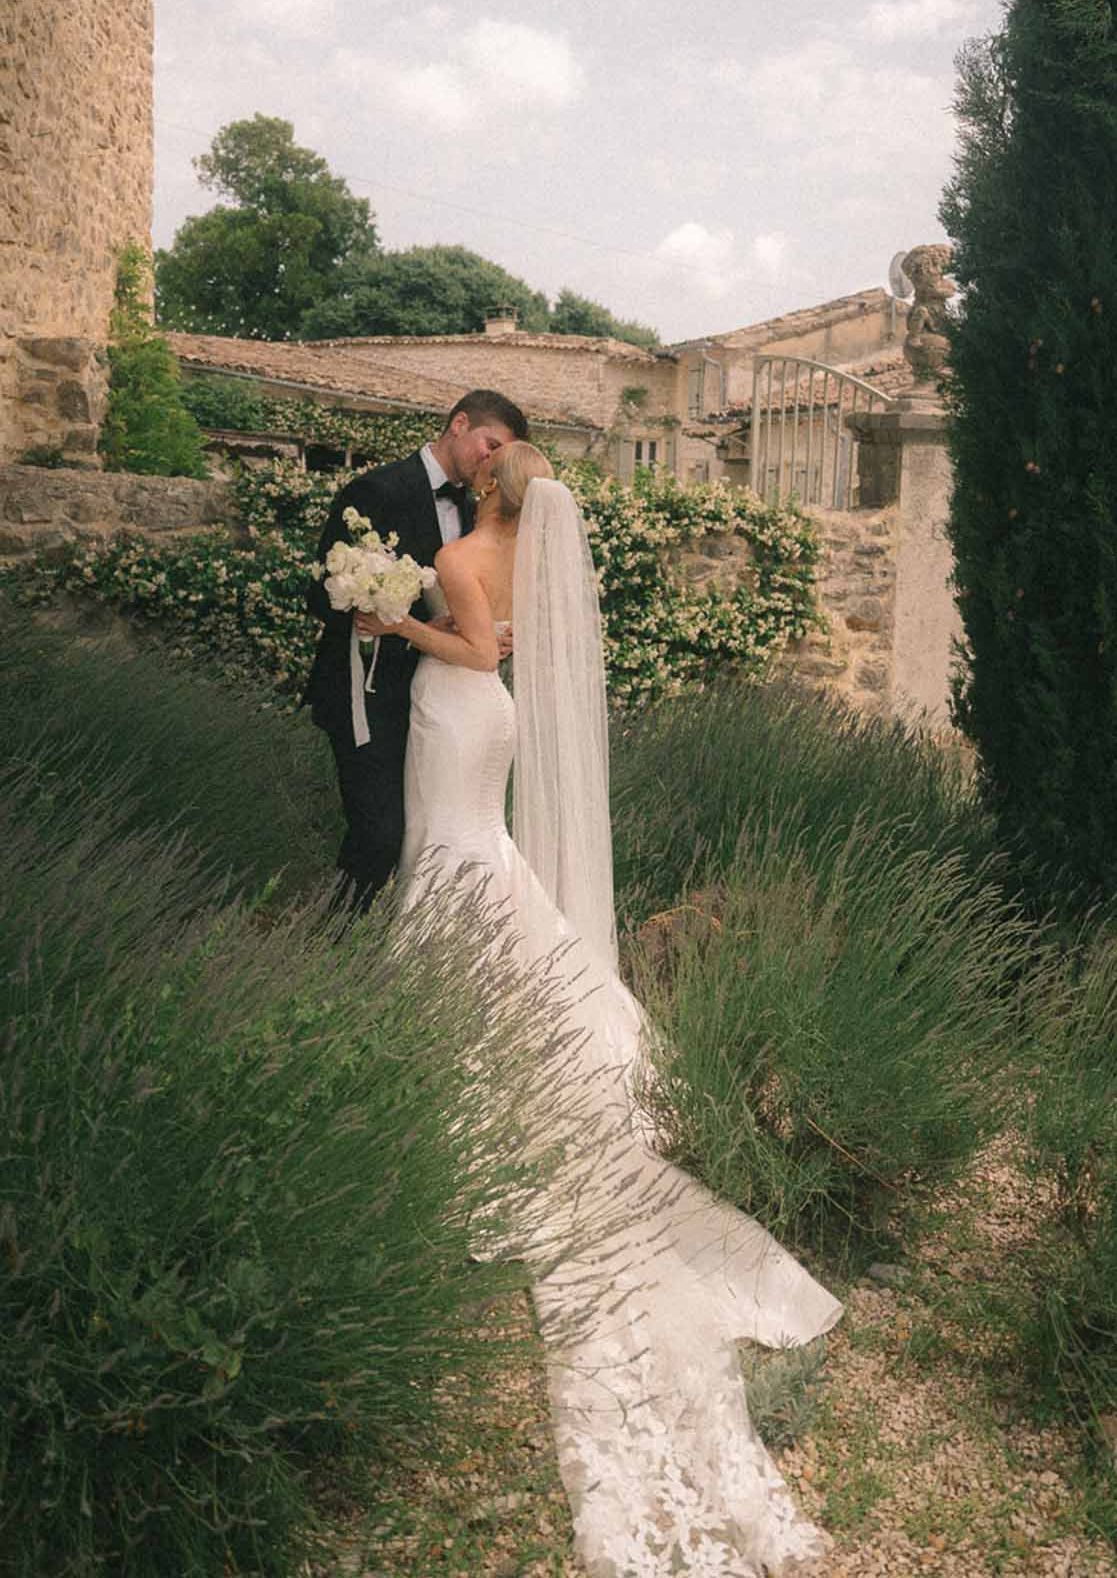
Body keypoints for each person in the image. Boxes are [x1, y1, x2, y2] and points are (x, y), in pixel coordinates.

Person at [357, 441, 843, 1578]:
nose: (473, 461)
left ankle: (458, 1061)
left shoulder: (463, 550)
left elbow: (474, 643)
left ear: (487, 486)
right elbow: (508, 642)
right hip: (491, 717)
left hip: (458, 703)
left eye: (483, 458)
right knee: (480, 858)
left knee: (457, 858)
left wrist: (396, 627)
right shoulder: (525, 548)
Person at [305, 389, 527, 913]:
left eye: (499, 455)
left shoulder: (477, 512)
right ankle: (329, 948)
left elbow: (461, 609)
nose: (489, 461)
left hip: (440, 703)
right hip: (367, 691)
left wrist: (489, 633)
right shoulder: (376, 488)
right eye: (488, 444)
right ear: (458, 423)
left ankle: (402, 945)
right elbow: (320, 594)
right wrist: (378, 614)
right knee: (379, 832)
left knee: (426, 833)